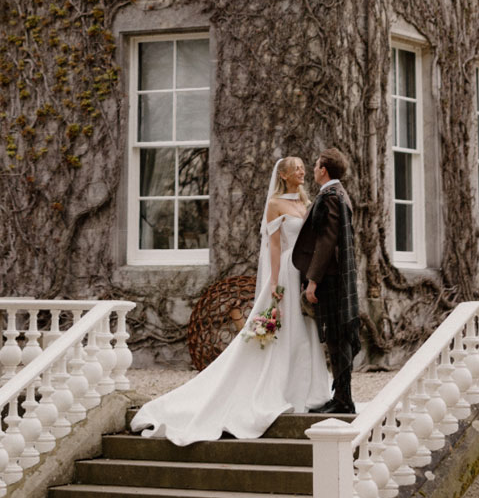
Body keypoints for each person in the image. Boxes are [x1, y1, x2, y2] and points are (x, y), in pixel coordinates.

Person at [131, 156, 331, 444]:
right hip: (287, 270)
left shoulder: (305, 202)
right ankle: (284, 389)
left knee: (306, 329)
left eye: (303, 167)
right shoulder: (275, 204)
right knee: (287, 331)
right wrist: (274, 282)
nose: (302, 171)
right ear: (284, 175)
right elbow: (274, 245)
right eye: (297, 168)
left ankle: (312, 391)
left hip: (305, 270)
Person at [292, 147, 360, 415]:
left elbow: (326, 242)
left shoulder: (330, 197)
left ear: (324, 170)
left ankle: (344, 401)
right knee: (336, 337)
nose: (313, 168)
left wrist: (312, 281)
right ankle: (341, 396)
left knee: (336, 338)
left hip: (330, 280)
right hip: (336, 278)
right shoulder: (338, 194)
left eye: (316, 164)